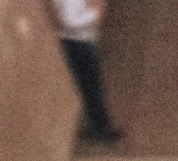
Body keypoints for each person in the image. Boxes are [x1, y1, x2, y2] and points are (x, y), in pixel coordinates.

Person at [51, 0, 124, 147]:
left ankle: (98, 127)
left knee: (92, 88)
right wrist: (94, 17)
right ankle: (101, 128)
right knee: (90, 88)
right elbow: (67, 21)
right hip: (76, 43)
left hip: (83, 41)